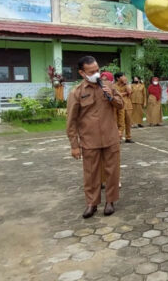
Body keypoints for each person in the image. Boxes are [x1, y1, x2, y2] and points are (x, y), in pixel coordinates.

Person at [66, 56, 124, 218]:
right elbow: (71, 121)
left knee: (112, 171)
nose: (96, 74)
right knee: (91, 173)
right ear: (82, 73)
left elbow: (121, 105)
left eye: (97, 70)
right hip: (89, 140)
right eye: (91, 72)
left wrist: (111, 97)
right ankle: (92, 203)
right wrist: (74, 145)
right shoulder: (77, 92)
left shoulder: (108, 86)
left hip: (110, 137)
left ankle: (110, 201)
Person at [113, 72, 133, 143]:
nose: (124, 77)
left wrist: (126, 83)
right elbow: (114, 95)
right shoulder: (114, 86)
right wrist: (124, 94)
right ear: (118, 78)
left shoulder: (127, 85)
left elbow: (130, 92)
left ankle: (128, 137)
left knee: (128, 122)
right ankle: (119, 137)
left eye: (124, 76)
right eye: (122, 76)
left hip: (128, 105)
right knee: (119, 122)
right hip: (118, 106)